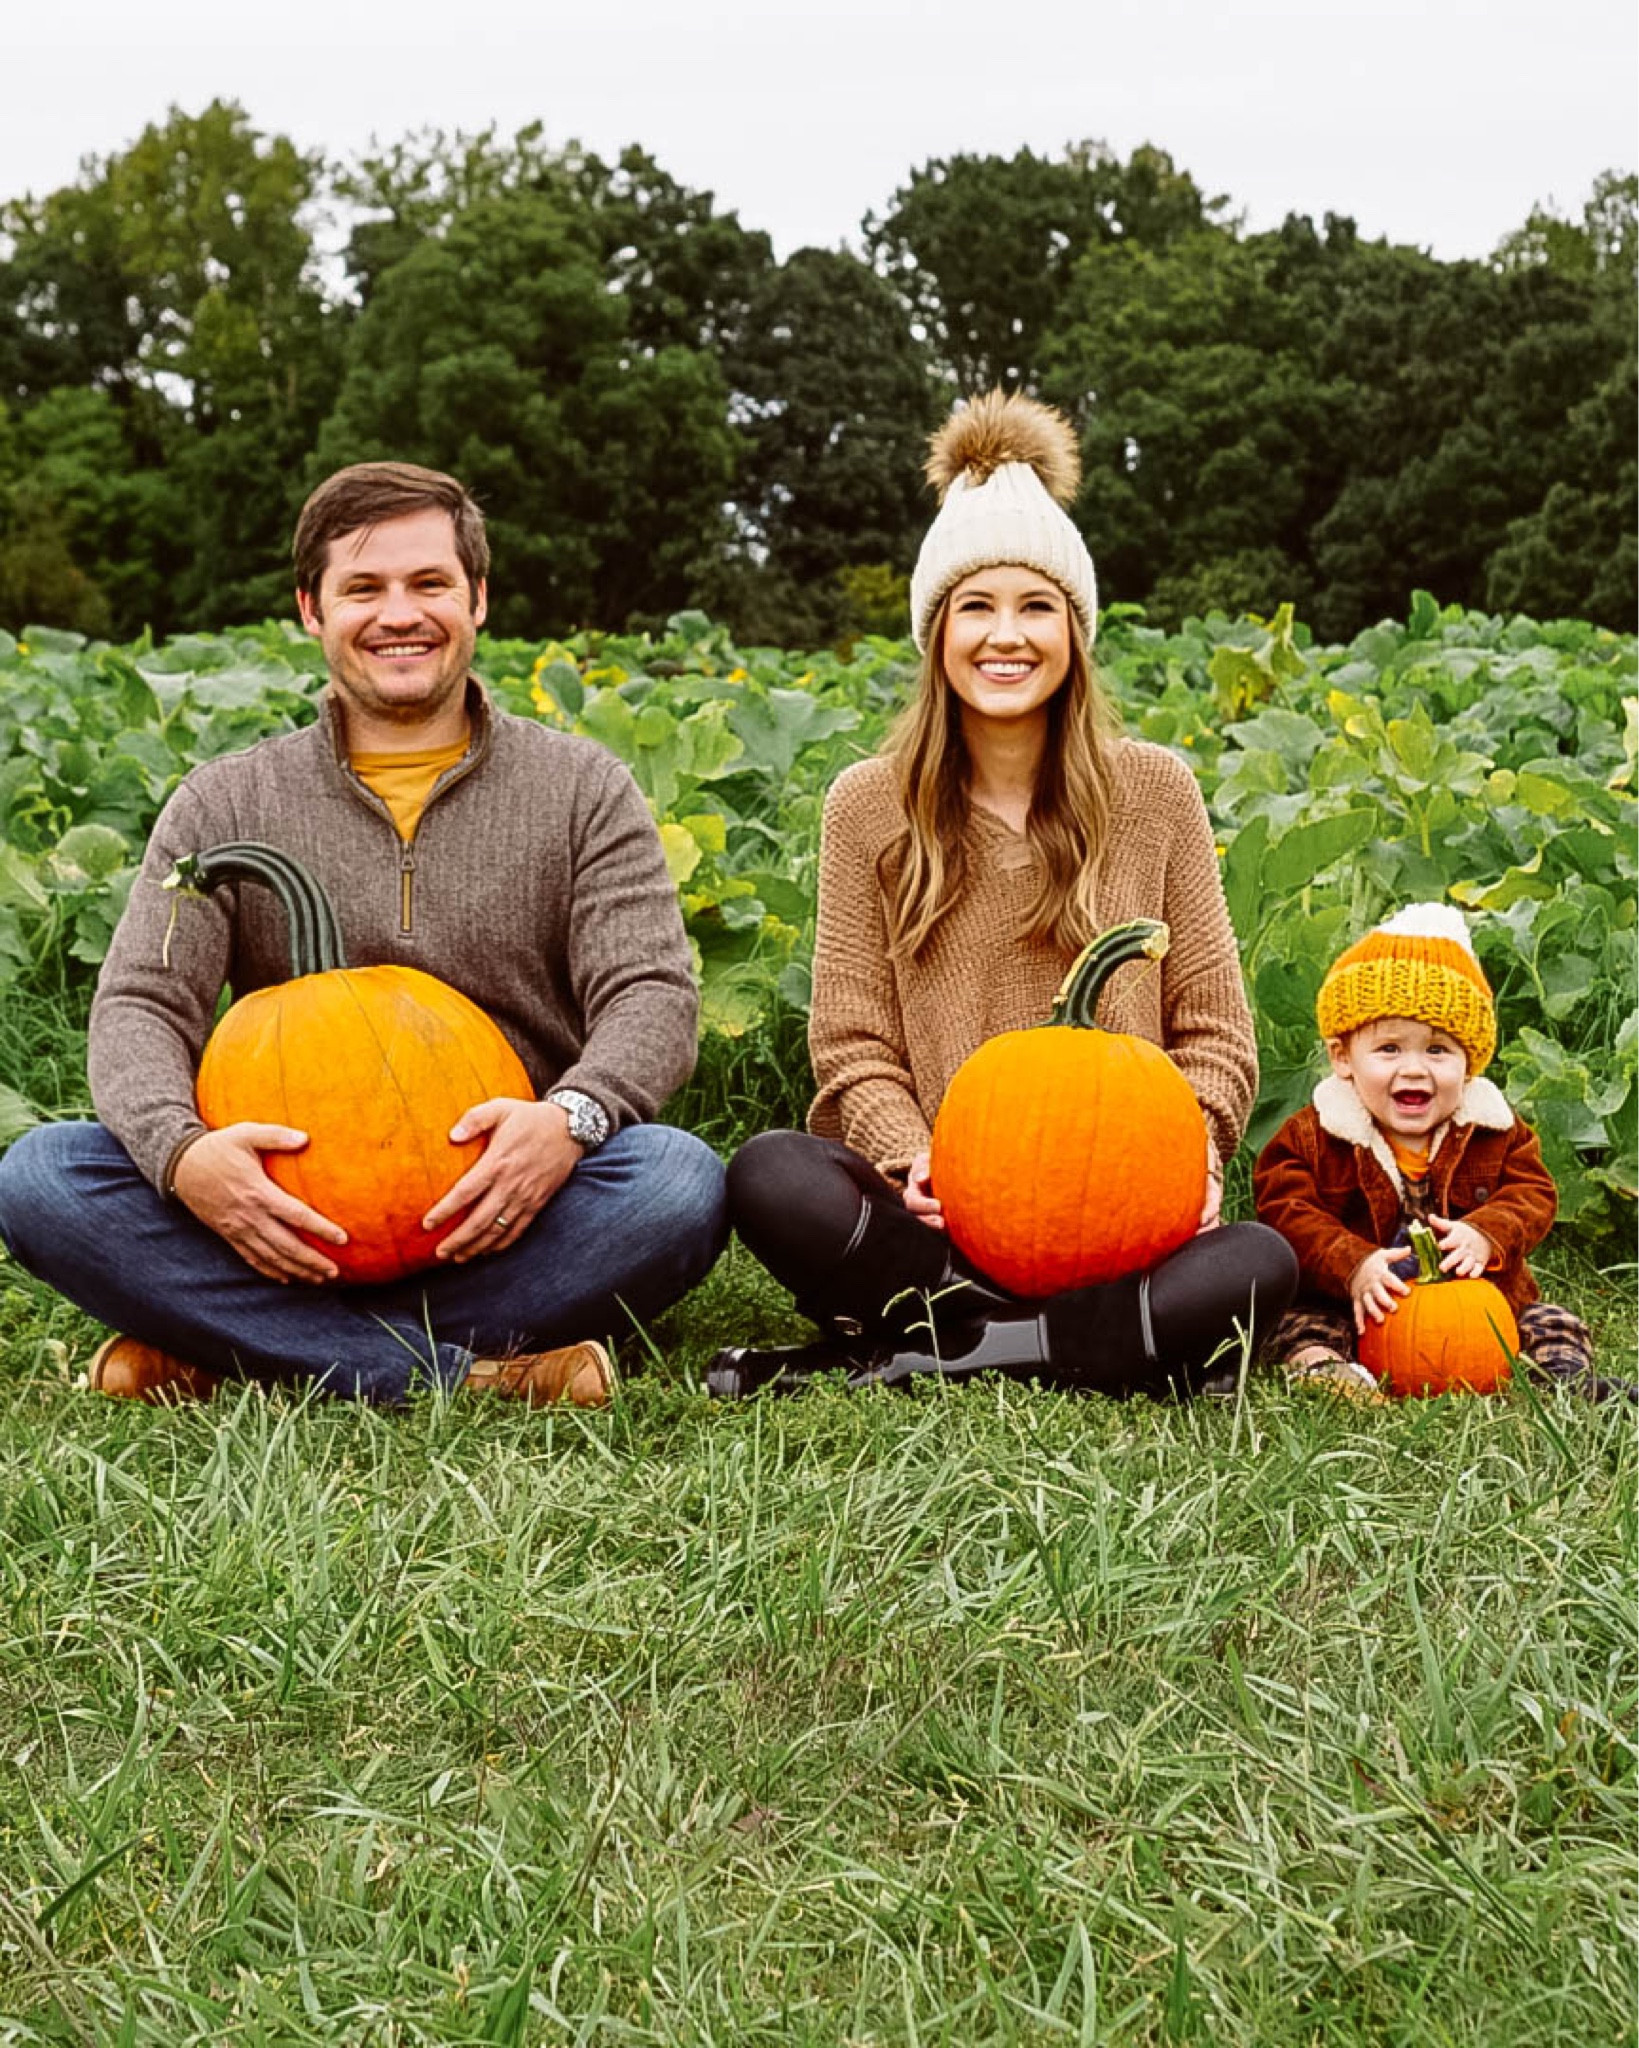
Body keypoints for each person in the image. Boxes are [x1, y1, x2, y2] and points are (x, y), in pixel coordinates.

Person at [0, 462, 727, 1406]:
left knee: (676, 1183)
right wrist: (184, 1156)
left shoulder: (584, 791)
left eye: (428, 583)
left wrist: (570, 1117)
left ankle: (235, 1353)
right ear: (312, 608)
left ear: (477, 598)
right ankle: (462, 1376)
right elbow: (143, 1000)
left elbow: (651, 995)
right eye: (363, 588)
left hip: (506, 1210)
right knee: (42, 1176)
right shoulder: (224, 801)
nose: (400, 614)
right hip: (275, 1223)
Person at [709, 391, 1296, 1399]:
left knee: (1258, 1261)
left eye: (1036, 606)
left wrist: (1194, 1150)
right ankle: (1058, 1345)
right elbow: (850, 1042)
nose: (1004, 636)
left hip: (1122, 1219)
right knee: (771, 1172)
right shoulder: (867, 806)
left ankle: (933, 1351)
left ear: (1076, 629)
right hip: (938, 1223)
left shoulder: (1154, 790)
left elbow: (1213, 1030)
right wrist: (912, 1158)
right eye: (974, 607)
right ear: (936, 633)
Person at [1253, 902, 1620, 1400]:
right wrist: (1353, 1263)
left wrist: (1486, 1235)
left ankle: (1563, 1378)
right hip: (1360, 1299)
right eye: (1389, 1049)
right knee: (1305, 1325)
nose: (1414, 1069)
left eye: (1437, 1050)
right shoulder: (1315, 1136)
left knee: (1549, 1319)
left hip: (1479, 1301)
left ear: (1469, 1062)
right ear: (1342, 1057)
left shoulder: (1493, 1130)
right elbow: (1285, 1210)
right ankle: (1325, 1374)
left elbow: (1532, 1194)